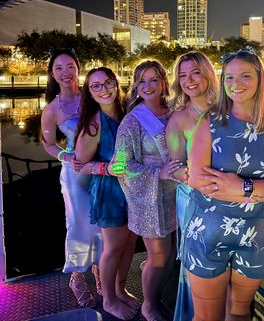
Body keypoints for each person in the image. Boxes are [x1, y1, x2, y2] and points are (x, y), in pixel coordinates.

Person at [183, 46, 264, 321]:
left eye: (245, 76)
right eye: (229, 77)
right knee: (207, 316)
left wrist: (243, 188)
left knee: (240, 312)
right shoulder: (210, 122)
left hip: (257, 235)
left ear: (260, 80)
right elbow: (198, 179)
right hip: (208, 231)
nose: (235, 84)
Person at [111, 59, 182, 321]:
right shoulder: (133, 121)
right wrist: (156, 172)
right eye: (142, 81)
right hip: (149, 199)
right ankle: (149, 305)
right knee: (161, 257)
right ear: (136, 86)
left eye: (154, 79)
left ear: (164, 82)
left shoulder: (175, 111)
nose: (148, 86)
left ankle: (151, 275)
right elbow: (118, 165)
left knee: (170, 253)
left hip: (177, 196)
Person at [75, 67, 139, 320]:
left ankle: (120, 289)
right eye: (96, 86)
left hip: (133, 189)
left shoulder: (126, 113)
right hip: (110, 191)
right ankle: (109, 299)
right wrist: (106, 168)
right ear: (89, 92)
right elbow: (80, 163)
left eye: (108, 83)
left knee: (130, 243)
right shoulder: (94, 123)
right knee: (112, 248)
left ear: (116, 84)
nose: (104, 89)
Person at [41, 48, 102, 308]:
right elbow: (49, 144)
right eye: (58, 68)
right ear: (52, 74)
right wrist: (66, 156)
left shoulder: (92, 96)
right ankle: (77, 276)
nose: (65, 73)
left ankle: (101, 271)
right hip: (75, 173)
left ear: (78, 68)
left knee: (102, 222)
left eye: (70, 67)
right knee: (78, 224)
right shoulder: (52, 109)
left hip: (101, 168)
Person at [166, 51, 219, 321]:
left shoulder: (229, 108)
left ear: (208, 73)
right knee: (198, 267)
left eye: (195, 72)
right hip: (194, 200)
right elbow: (174, 167)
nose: (189, 80)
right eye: (183, 75)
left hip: (231, 199)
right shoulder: (178, 119)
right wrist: (194, 178)